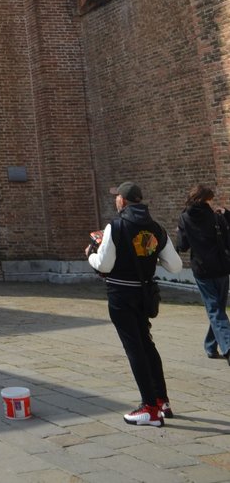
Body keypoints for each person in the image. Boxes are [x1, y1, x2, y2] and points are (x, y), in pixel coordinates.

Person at [87, 180, 182, 425]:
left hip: (120, 295)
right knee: (147, 345)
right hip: (144, 294)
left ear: (122, 201)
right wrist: (148, 257)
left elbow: (105, 265)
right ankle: (162, 401)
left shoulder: (116, 226)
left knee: (134, 348)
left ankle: (149, 408)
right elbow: (175, 265)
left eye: (116, 197)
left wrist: (91, 254)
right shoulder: (156, 228)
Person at [176, 182, 230, 360]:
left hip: (201, 269)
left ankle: (210, 345)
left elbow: (182, 246)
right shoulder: (216, 217)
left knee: (216, 310)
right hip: (221, 268)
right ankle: (228, 347)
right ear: (207, 199)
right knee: (217, 308)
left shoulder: (184, 218)